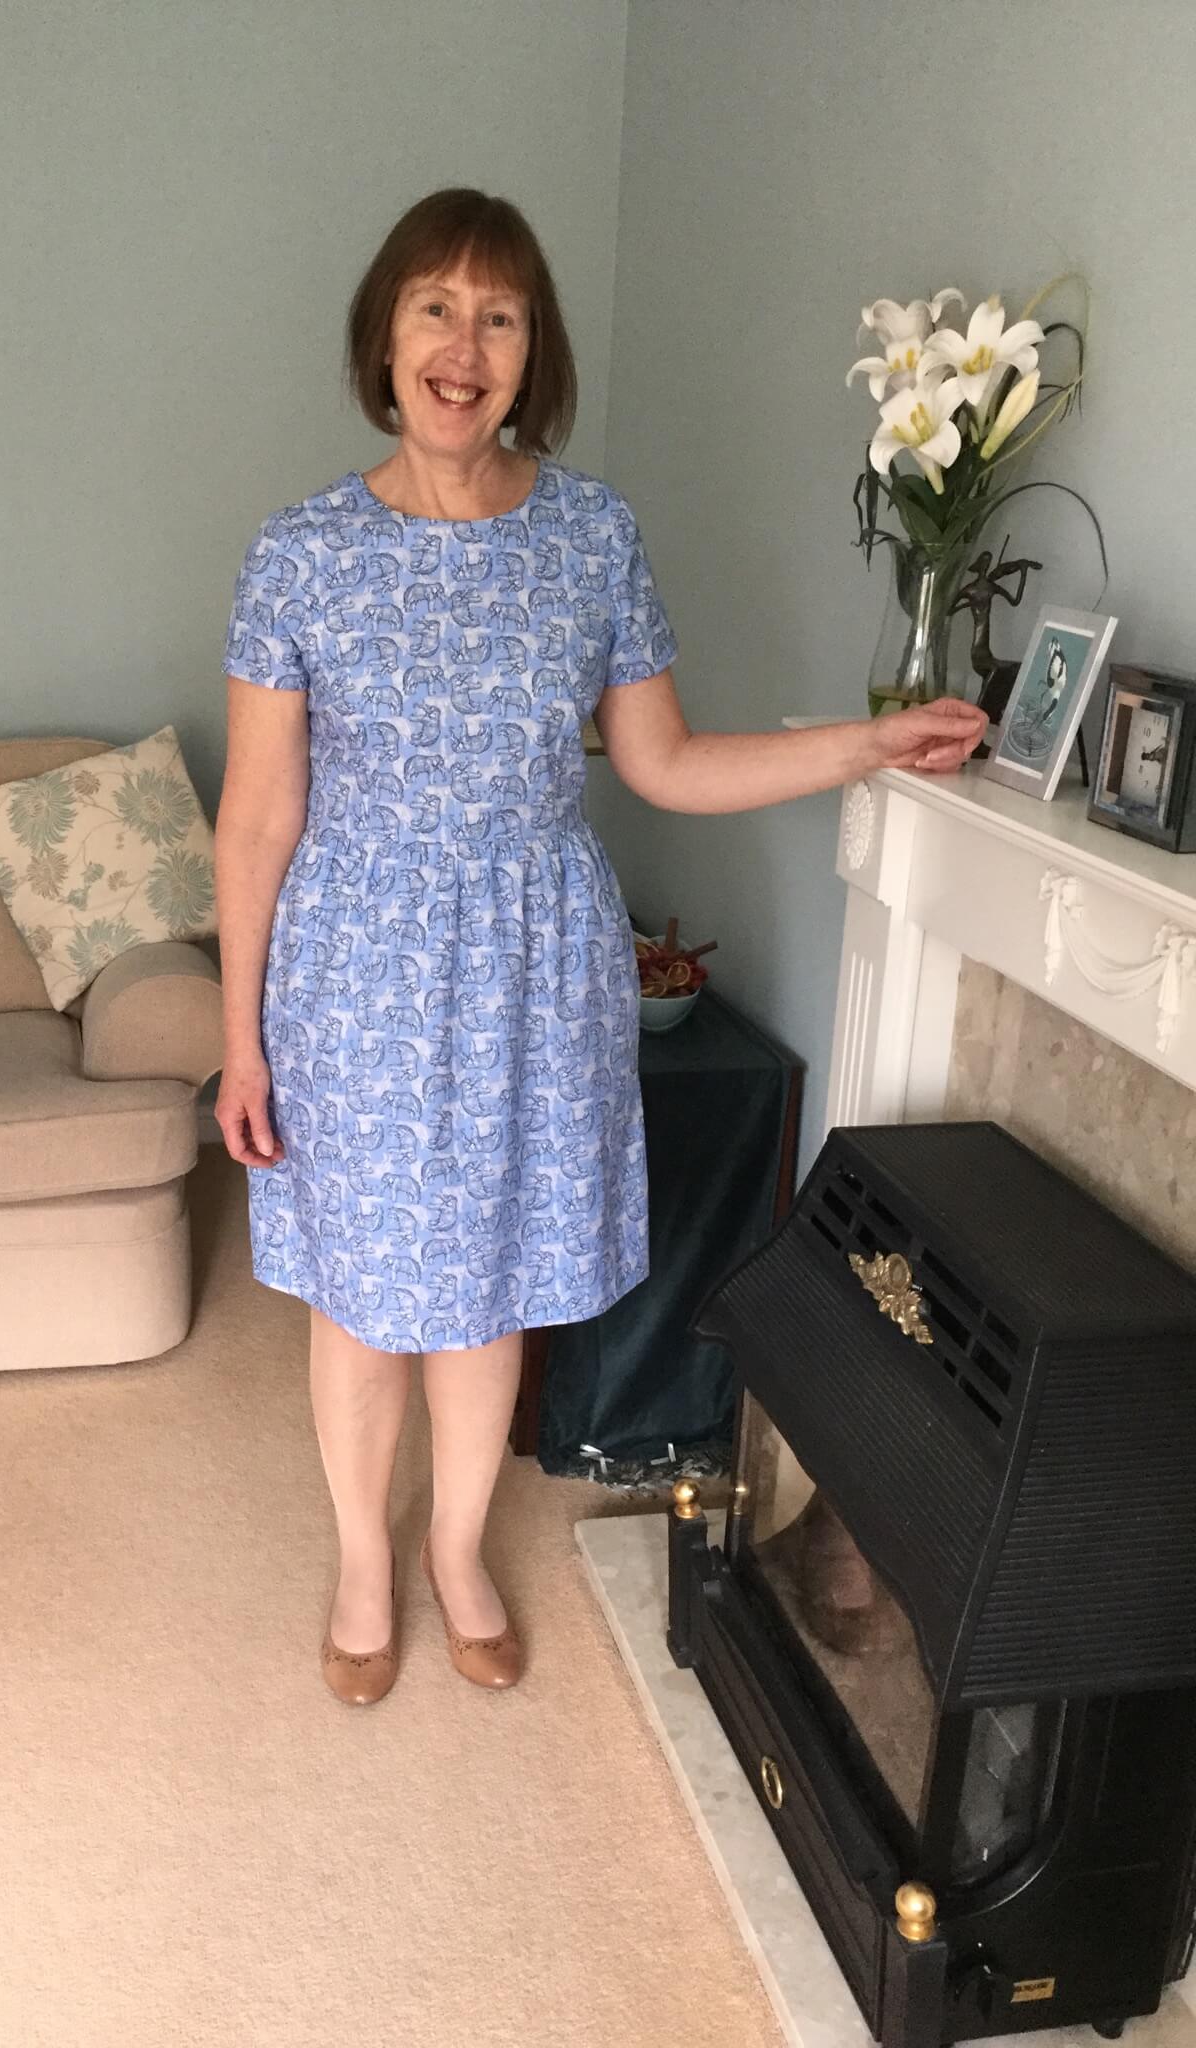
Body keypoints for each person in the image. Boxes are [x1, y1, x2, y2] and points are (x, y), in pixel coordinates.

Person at [214, 187, 987, 1707]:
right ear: (386, 335)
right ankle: (366, 1563)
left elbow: (666, 762)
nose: (464, 346)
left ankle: (454, 1552)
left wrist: (866, 746)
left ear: (533, 354)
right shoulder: (299, 551)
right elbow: (255, 819)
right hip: (358, 977)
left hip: (532, 971)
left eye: (499, 317)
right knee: (365, 1296)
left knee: (489, 1287)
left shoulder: (592, 535)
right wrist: (239, 1038)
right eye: (436, 308)